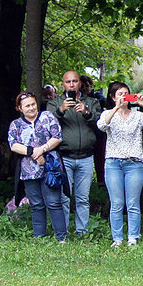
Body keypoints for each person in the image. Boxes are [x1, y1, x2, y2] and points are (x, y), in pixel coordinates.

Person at [97, 82, 143, 247]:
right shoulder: (108, 113)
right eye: (120, 94)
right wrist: (116, 108)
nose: (124, 97)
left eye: (126, 93)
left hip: (134, 163)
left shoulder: (137, 115)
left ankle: (133, 237)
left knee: (133, 202)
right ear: (113, 97)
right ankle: (117, 238)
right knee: (116, 203)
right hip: (113, 163)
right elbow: (102, 126)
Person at [7, 91, 66, 242]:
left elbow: (57, 137)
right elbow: (13, 145)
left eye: (33, 104)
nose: (31, 108)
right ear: (20, 108)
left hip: (50, 168)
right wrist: (34, 152)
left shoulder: (48, 117)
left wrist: (43, 149)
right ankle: (39, 237)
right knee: (36, 204)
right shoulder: (16, 125)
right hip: (28, 170)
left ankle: (61, 237)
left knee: (54, 202)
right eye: (27, 106)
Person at [49, 71, 102, 236]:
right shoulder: (55, 102)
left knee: (83, 198)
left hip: (86, 156)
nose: (72, 84)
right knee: (64, 197)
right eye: (68, 82)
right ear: (63, 84)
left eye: (75, 81)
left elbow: (102, 122)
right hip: (64, 156)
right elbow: (47, 122)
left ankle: (82, 231)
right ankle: (62, 231)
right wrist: (61, 109)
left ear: (80, 83)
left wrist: (86, 112)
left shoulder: (92, 102)